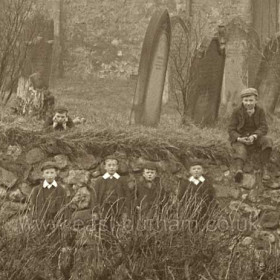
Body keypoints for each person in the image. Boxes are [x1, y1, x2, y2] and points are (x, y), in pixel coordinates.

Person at [228, 88, 273, 183]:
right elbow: (231, 129)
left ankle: (264, 168)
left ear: (256, 100)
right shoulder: (237, 111)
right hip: (240, 138)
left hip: (255, 138)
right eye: (246, 100)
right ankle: (239, 170)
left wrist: (254, 136)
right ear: (242, 101)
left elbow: (264, 127)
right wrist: (239, 138)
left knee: (268, 141)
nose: (248, 103)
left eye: (251, 100)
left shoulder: (260, 111)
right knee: (240, 150)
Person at [92, 155, 129, 232]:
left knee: (117, 228)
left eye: (114, 165)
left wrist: (125, 211)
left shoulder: (122, 180)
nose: (111, 167)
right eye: (109, 165)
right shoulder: (100, 180)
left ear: (117, 167)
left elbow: (127, 196)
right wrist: (95, 211)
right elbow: (95, 196)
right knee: (103, 228)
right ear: (105, 167)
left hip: (118, 208)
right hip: (104, 208)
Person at [177, 159, 216, 228]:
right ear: (190, 171)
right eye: (194, 169)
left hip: (204, 213)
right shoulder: (185, 184)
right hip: (189, 213)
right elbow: (180, 197)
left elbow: (212, 198)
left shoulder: (207, 183)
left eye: (198, 168)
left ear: (202, 171)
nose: (196, 170)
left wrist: (209, 211)